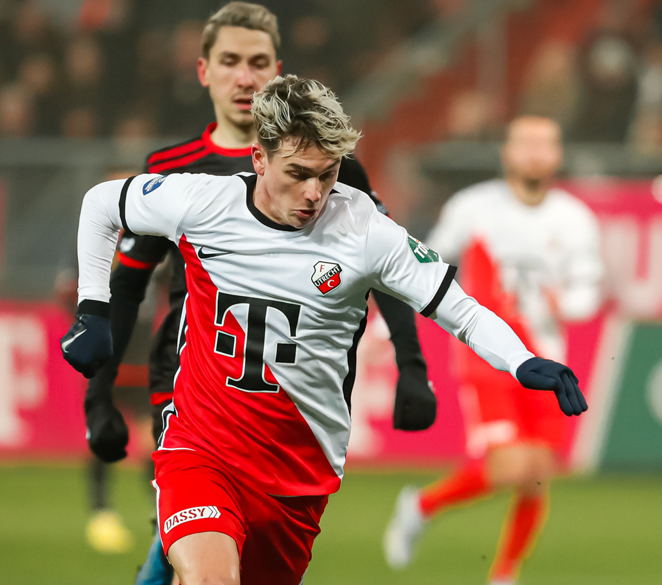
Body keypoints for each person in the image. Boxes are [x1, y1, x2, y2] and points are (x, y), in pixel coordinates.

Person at [60, 73, 588, 585]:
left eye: (328, 174)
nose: (314, 192)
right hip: (202, 447)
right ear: (259, 158)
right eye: (298, 173)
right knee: (212, 578)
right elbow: (102, 204)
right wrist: (93, 309)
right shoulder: (201, 202)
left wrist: (521, 360)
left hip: (299, 469)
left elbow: (460, 309)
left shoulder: (365, 230)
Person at [75, 4, 436, 581]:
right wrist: (99, 396)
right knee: (195, 550)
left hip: (288, 406)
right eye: (230, 61)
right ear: (204, 72)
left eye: (258, 63)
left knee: (192, 555)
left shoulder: (332, 169)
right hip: (191, 386)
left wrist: (413, 366)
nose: (244, 77)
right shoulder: (172, 169)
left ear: (277, 71)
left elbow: (389, 268)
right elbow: (128, 286)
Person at [382, 116, 603, 585]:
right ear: (507, 153)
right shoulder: (473, 207)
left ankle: (504, 574)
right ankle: (422, 505)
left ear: (558, 155)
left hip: (547, 357)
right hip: (489, 356)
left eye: (545, 144)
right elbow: (426, 262)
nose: (535, 153)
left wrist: (567, 304)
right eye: (525, 143)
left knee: (537, 473)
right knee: (510, 466)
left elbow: (588, 289)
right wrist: (391, 324)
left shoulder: (575, 218)